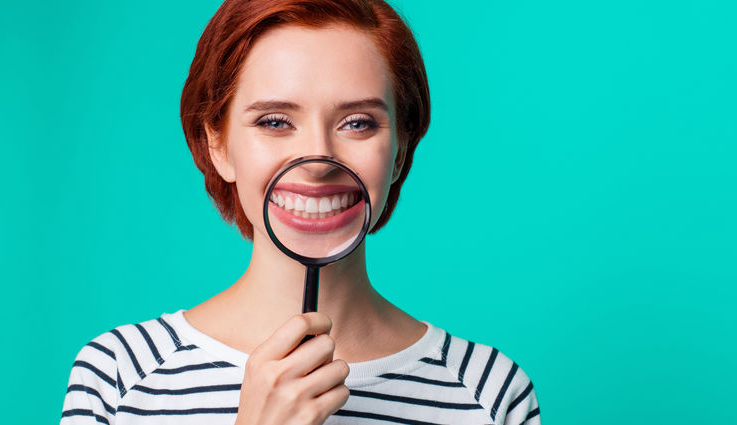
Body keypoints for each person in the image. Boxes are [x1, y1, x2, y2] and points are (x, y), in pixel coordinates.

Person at [60, 1, 542, 424]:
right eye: (274, 121)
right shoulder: (121, 377)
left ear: (399, 151)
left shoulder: (488, 393)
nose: (318, 161)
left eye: (358, 123)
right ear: (219, 145)